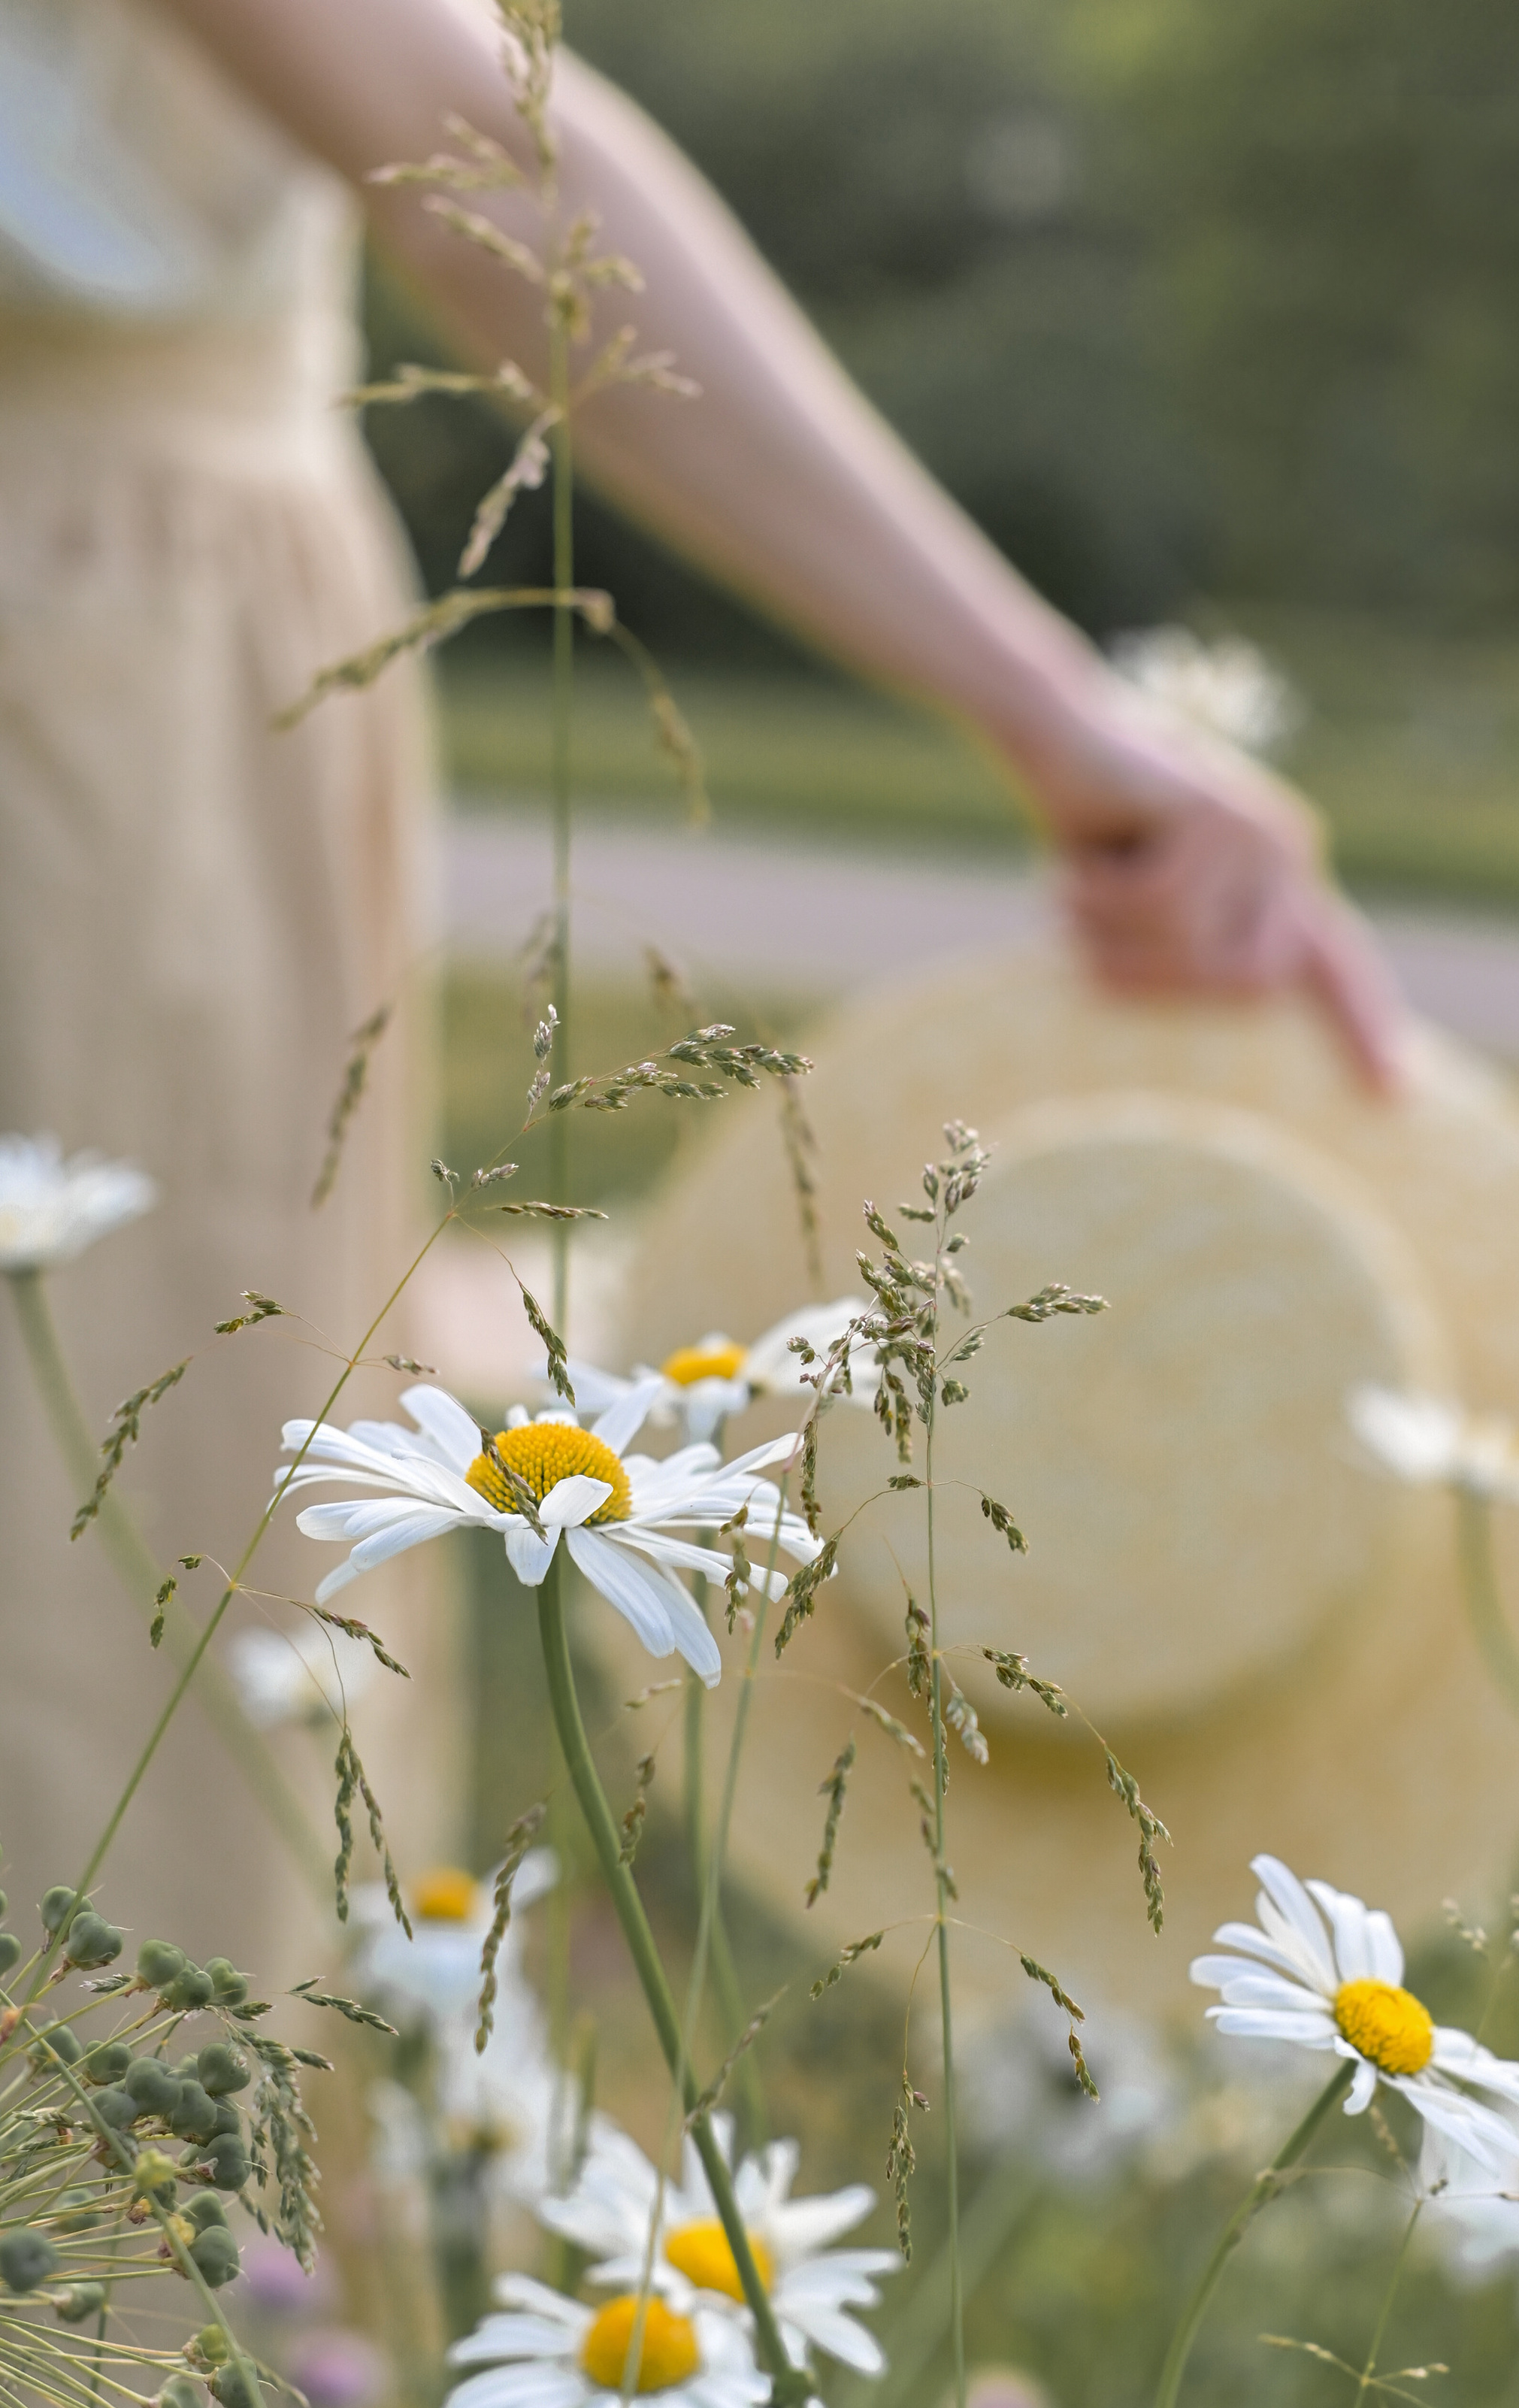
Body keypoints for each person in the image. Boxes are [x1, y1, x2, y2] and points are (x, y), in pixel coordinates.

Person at [0, 0, 1403, 1962]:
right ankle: (108, 2245)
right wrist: (1053, 712)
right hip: (74, 657)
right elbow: (479, 152)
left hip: (114, 615)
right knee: (104, 1578)